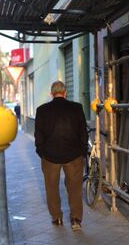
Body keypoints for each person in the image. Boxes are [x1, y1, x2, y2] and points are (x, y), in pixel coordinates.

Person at [34, 81, 88, 230]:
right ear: (65, 93)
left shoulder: (42, 110)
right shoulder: (76, 108)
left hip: (50, 156)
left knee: (51, 188)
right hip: (74, 155)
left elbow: (38, 135)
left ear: (52, 94)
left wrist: (41, 152)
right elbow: (83, 133)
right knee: (75, 189)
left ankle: (57, 218)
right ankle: (76, 219)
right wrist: (83, 152)